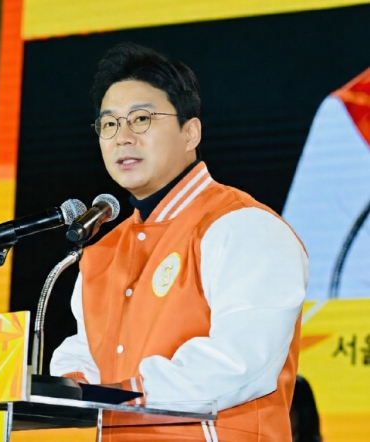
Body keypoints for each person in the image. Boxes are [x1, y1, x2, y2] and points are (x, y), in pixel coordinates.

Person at [50, 43, 308, 441]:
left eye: (141, 119)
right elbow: (84, 351)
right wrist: (66, 388)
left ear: (191, 133)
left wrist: (123, 395)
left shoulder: (243, 226)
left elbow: (242, 361)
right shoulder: (101, 252)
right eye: (109, 124)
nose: (122, 138)